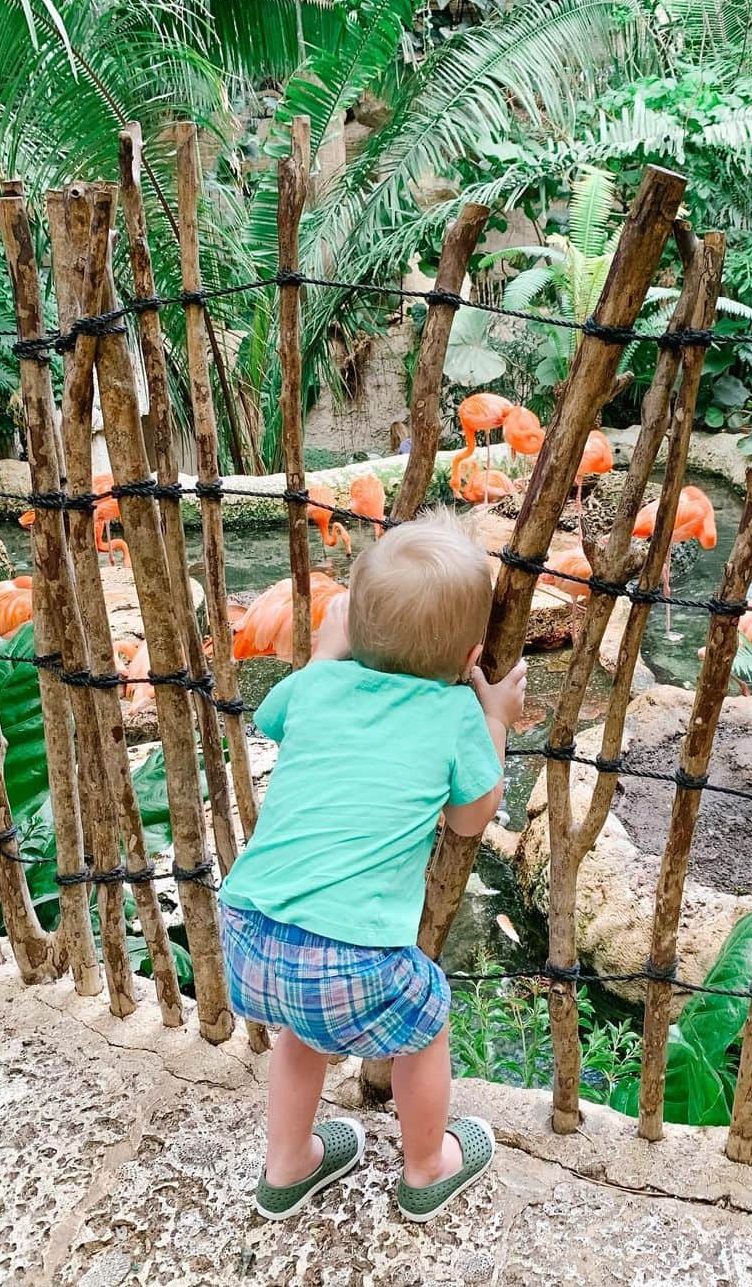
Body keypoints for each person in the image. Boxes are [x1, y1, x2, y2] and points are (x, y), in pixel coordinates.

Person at [219, 509, 527, 1223]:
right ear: (468, 658)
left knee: (303, 1031)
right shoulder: (452, 713)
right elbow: (470, 818)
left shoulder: (319, 685)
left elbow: (273, 715)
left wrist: (324, 655)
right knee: (427, 1018)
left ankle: (287, 1166)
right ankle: (426, 1169)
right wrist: (495, 719)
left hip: (250, 935)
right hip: (350, 960)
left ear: (353, 624)